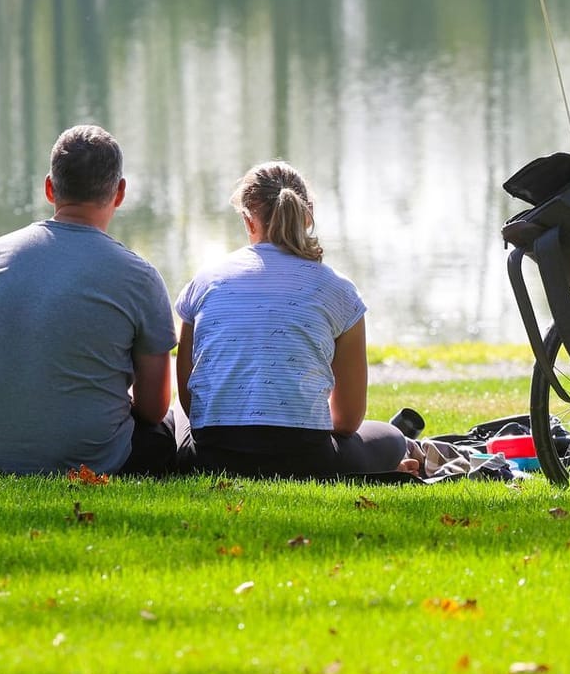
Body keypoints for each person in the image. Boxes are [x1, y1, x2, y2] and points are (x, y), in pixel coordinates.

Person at [0, 125, 190, 475]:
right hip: (98, 460)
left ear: (50, 187)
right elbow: (153, 410)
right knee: (174, 427)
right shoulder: (138, 276)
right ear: (120, 192)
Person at [174, 161, 410, 478]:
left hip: (212, 457)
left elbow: (192, 404)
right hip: (308, 460)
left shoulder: (204, 282)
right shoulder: (339, 291)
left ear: (247, 219)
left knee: (176, 415)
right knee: (391, 438)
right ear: (308, 214)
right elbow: (347, 421)